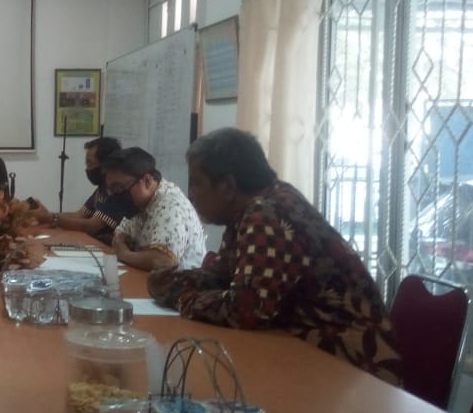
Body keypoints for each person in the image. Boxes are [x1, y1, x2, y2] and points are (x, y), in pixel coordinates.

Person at [148, 128, 403, 385]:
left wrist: (181, 298)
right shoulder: (254, 207)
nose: (191, 194)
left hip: (353, 365)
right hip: (306, 347)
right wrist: (174, 282)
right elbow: (222, 275)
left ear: (227, 186)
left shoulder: (268, 215)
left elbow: (245, 309)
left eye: (196, 183)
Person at [104, 147, 207, 271]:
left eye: (119, 188)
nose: (115, 195)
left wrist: (125, 255)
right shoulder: (138, 205)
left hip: (180, 282)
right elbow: (119, 237)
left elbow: (163, 261)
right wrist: (123, 245)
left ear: (147, 181)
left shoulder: (171, 206)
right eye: (112, 190)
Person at [30, 137, 137, 245]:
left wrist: (50, 218)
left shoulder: (117, 193)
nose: (87, 169)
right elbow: (78, 215)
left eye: (90, 164)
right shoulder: (101, 189)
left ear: (105, 165)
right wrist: (47, 214)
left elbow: (91, 226)